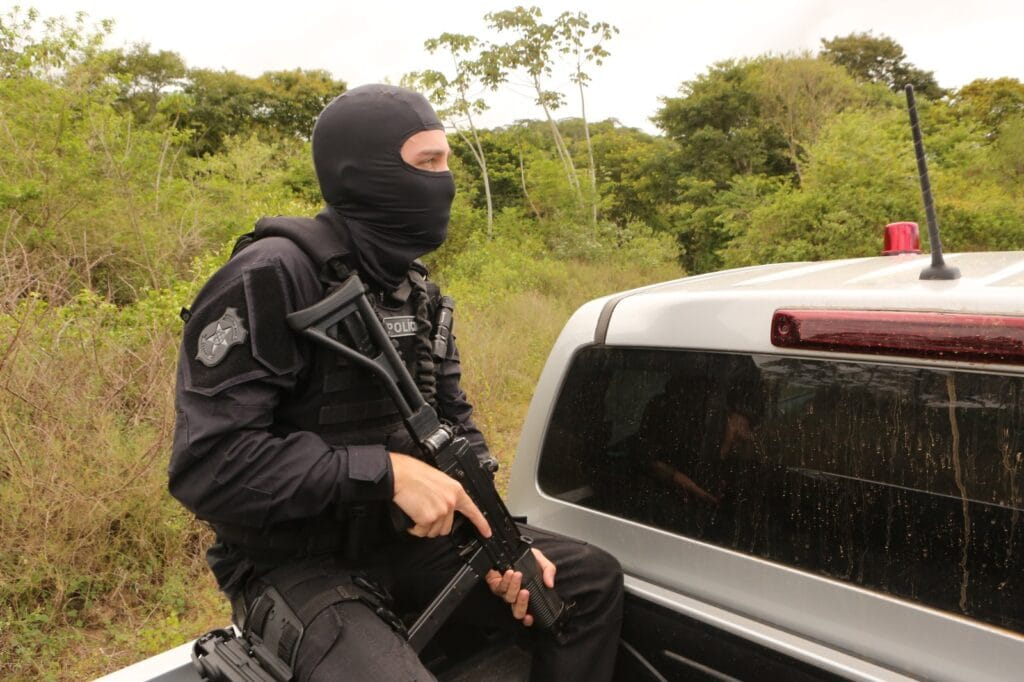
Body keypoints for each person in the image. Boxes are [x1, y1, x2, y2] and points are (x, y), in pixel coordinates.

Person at [168, 84, 623, 681]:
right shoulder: (270, 276)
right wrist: (386, 473)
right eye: (426, 162)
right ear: (361, 173)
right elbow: (209, 466)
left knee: (585, 582)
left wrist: (503, 545)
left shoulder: (417, 292)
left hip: (407, 542)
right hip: (294, 562)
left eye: (447, 162)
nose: (444, 181)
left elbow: (455, 423)